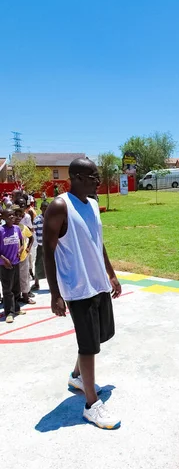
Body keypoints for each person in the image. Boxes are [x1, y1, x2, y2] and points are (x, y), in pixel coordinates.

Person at [43, 157, 122, 429]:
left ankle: (77, 376)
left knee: (99, 336)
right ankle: (91, 405)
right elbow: (48, 251)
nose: (98, 182)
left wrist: (111, 273)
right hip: (77, 288)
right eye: (93, 177)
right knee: (88, 345)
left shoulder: (93, 205)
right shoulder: (59, 206)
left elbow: (98, 243)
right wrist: (55, 293)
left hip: (97, 282)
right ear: (75, 177)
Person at [0, 209, 25, 323]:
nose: (11, 217)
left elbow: (21, 241)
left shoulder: (17, 228)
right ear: (3, 217)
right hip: (5, 265)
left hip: (15, 263)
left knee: (16, 287)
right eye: (8, 215)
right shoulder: (1, 230)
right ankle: (9, 312)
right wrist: (4, 260)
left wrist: (20, 250)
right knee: (7, 289)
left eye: (12, 215)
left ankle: (16, 308)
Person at [13, 207, 35, 304]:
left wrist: (28, 248)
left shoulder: (23, 227)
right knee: (13, 279)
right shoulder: (6, 228)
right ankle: (14, 298)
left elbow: (31, 238)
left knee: (24, 277)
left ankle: (25, 296)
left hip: (23, 257)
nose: (17, 217)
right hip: (11, 258)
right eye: (15, 215)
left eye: (20, 215)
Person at [32, 201, 48, 291]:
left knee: (53, 264)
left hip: (50, 246)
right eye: (44, 209)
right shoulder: (37, 219)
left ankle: (54, 284)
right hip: (41, 246)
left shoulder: (52, 218)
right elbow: (33, 232)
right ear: (41, 209)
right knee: (38, 263)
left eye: (47, 209)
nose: (46, 210)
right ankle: (36, 283)